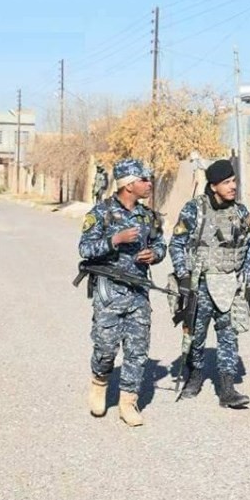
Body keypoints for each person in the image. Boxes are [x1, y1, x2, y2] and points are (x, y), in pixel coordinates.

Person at [79, 158, 166, 427]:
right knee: (105, 347)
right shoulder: (101, 213)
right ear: (128, 185)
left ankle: (128, 402)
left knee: (137, 350)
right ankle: (99, 383)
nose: (149, 184)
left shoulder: (148, 216)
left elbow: (160, 244)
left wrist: (154, 254)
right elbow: (85, 248)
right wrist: (115, 240)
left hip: (139, 292)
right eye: (144, 180)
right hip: (109, 292)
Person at [169, 159, 250, 409]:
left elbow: (249, 247)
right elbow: (176, 244)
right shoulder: (194, 210)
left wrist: (249, 281)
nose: (233, 186)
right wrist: (184, 277)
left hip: (230, 283)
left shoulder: (241, 213)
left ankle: (227, 388)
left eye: (234, 181)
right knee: (195, 336)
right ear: (214, 185)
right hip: (201, 284)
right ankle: (195, 376)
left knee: (229, 335)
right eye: (227, 182)